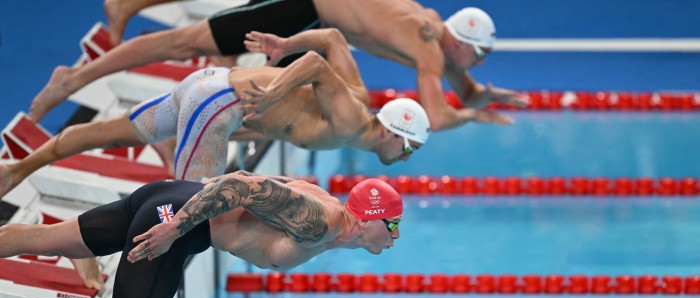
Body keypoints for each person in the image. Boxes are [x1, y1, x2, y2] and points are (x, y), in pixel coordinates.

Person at [1, 28, 431, 199]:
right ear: (394, 133)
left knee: (112, 134)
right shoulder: (353, 120)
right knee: (187, 206)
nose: (406, 159)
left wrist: (284, 45)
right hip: (213, 106)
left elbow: (334, 40)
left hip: (208, 88)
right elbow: (317, 64)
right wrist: (277, 85)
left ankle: (19, 168)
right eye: (409, 149)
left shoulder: (351, 95)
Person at [29, 0, 525, 130]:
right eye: (478, 54)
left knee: (205, 42)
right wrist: (471, 115)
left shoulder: (435, 30)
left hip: (315, 14)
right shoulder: (428, 46)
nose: (476, 62)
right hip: (302, 5)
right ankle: (72, 78)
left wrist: (482, 92)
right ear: (460, 42)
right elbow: (437, 116)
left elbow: (459, 76)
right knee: (184, 43)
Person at [0, 172, 404, 298]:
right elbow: (245, 184)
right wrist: (174, 228)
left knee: (45, 239)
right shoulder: (318, 221)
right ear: (369, 220)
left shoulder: (323, 211)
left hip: (170, 196)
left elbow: (265, 183)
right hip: (174, 221)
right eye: (394, 225)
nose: (396, 236)